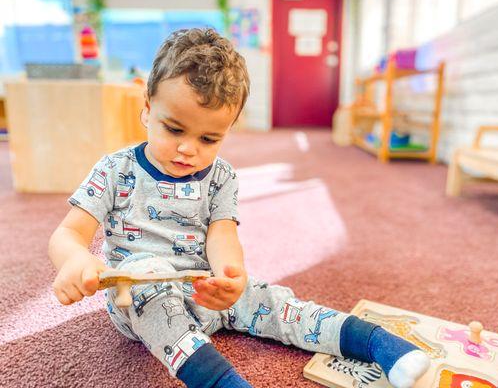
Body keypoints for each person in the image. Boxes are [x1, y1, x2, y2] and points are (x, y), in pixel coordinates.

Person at [49, 28, 430, 388]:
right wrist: (75, 261)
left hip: (204, 290)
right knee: (149, 273)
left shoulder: (222, 176)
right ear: (148, 110)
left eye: (209, 137)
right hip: (139, 299)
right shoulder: (115, 169)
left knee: (273, 301)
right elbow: (68, 233)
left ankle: (382, 345)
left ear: (228, 130)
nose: (188, 149)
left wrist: (232, 278)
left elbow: (222, 232)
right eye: (174, 129)